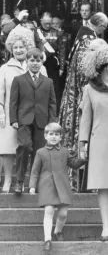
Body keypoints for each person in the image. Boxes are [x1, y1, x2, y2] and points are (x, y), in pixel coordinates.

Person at [59, 12, 108, 192]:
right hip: (83, 94)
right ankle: (80, 183)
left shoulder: (83, 36)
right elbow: (85, 71)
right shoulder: (88, 39)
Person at [0, 35, 47, 192]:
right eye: (15, 47)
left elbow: (46, 92)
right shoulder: (5, 68)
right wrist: (0, 112)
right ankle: (8, 179)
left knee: (32, 148)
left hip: (34, 115)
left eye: (21, 47)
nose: (18, 50)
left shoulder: (39, 67)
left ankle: (31, 181)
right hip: (11, 114)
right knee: (8, 149)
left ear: (28, 47)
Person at [29, 123, 87, 251]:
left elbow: (74, 164)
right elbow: (34, 171)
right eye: (51, 134)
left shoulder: (65, 151)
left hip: (62, 186)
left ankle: (58, 230)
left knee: (63, 214)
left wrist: (82, 159)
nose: (54, 137)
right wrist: (32, 186)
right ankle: (47, 239)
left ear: (61, 137)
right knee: (48, 211)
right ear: (45, 136)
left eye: (57, 134)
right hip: (47, 185)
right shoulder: (40, 152)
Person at [10, 48, 56, 194]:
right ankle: (19, 181)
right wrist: (13, 119)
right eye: (32, 60)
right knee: (23, 146)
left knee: (39, 152)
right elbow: (13, 102)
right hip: (24, 120)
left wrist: (52, 122)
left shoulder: (48, 82)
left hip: (42, 121)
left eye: (38, 61)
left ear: (42, 62)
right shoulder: (18, 80)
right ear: (27, 61)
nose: (35, 64)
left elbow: (52, 103)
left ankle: (35, 184)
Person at [79, 44, 108, 241]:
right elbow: (85, 118)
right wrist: (83, 142)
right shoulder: (89, 88)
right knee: (104, 185)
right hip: (101, 141)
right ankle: (106, 225)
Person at [38, 12, 66, 112]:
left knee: (54, 90)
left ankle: (55, 113)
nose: (48, 25)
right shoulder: (36, 32)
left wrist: (62, 67)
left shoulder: (57, 33)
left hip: (53, 64)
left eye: (49, 23)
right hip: (39, 64)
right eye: (45, 23)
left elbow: (62, 50)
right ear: (41, 21)